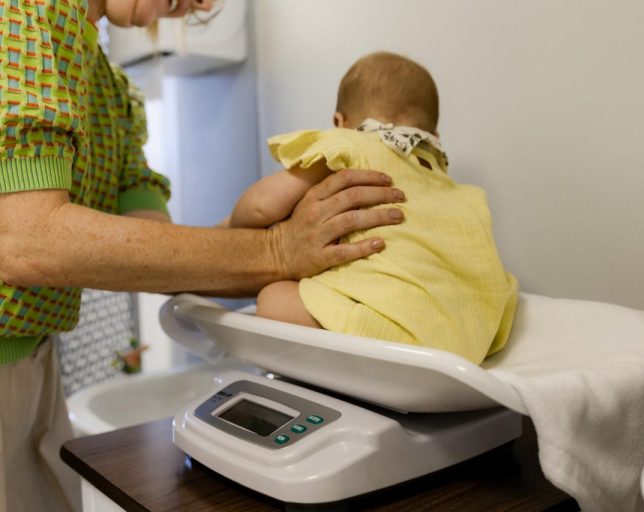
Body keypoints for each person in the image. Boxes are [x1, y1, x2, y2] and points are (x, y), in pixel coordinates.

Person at [0, 3, 406, 511]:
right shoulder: (21, 15)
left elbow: (157, 249)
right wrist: (276, 249)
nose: (205, 4)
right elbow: (26, 241)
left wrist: (289, 237)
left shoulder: (112, 92)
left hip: (35, 365)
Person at [229, 51, 518, 365]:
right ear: (433, 138)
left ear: (340, 123)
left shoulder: (349, 145)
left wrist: (232, 227)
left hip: (389, 334)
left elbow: (261, 205)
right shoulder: (461, 191)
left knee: (272, 298)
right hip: (470, 342)